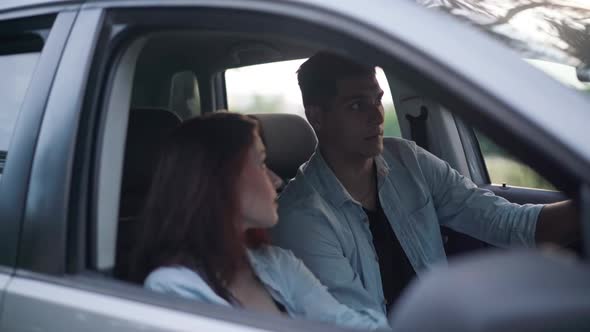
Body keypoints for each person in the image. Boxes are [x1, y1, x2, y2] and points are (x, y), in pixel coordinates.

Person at [271, 52, 580, 315]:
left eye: (377, 100)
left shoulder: (409, 160)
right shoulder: (302, 216)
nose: (377, 117)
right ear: (317, 117)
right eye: (356, 105)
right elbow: (353, 322)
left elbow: (508, 223)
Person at [130, 112, 389, 330]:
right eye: (262, 163)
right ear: (221, 179)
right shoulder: (171, 289)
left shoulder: (276, 263)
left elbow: (342, 323)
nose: (277, 180)